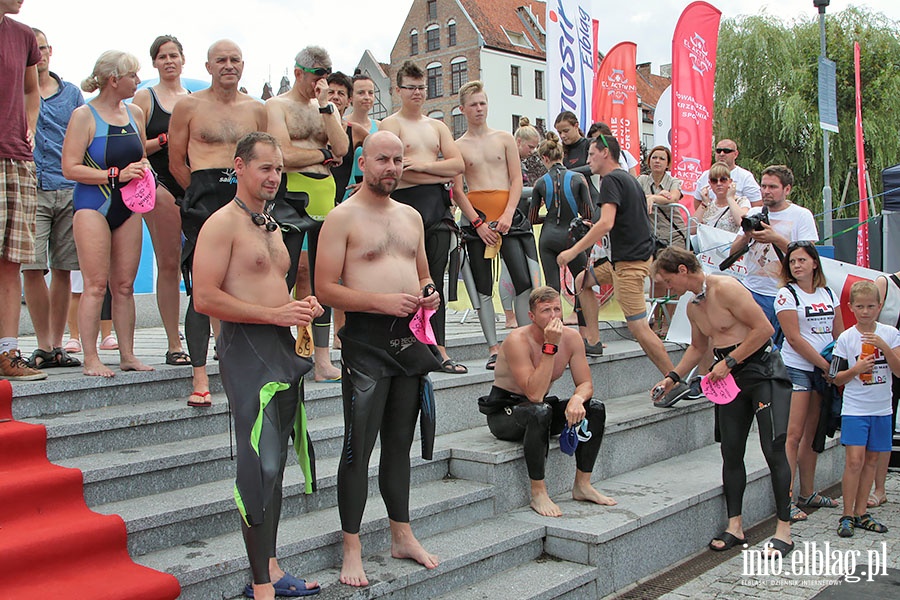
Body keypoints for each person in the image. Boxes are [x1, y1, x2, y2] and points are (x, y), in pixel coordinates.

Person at [192, 132, 321, 600]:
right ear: (239, 166)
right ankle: (260, 585)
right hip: (246, 350)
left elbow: (269, 287)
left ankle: (271, 566)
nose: (274, 177)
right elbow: (204, 297)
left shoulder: (271, 224)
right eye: (265, 167)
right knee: (258, 464)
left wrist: (298, 306)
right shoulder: (221, 224)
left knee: (278, 461)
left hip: (283, 345)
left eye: (279, 169)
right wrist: (274, 314)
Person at [316, 130, 443, 587]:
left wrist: (428, 294)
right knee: (358, 447)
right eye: (382, 160)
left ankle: (401, 534)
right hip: (366, 342)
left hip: (407, 341)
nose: (390, 168)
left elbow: (424, 274)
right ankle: (352, 546)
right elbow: (325, 289)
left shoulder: (411, 216)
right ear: (363, 163)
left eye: (397, 160)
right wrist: (381, 302)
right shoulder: (342, 217)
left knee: (399, 445)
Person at [651, 246, 794, 557]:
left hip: (761, 370)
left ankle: (784, 527)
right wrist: (672, 378)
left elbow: (764, 329)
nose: (667, 288)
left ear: (682, 271)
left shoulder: (726, 288)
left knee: (773, 448)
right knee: (731, 450)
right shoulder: (692, 306)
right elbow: (697, 347)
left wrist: (729, 361)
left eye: (667, 280)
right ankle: (735, 525)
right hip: (729, 377)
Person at [168, 39, 267, 406]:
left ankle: (239, 367)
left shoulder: (256, 108)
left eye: (235, 59)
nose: (229, 65)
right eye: (221, 60)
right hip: (204, 198)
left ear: (243, 65)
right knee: (202, 291)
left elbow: (267, 156)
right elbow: (177, 161)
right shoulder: (189, 106)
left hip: (246, 201)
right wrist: (198, 193)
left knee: (245, 285)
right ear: (207, 66)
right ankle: (199, 377)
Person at [558, 135, 678, 389]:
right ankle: (593, 340)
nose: (587, 160)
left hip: (629, 266)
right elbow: (623, 221)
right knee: (582, 280)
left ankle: (674, 379)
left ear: (605, 153)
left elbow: (606, 223)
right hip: (620, 262)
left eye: (591, 154)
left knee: (639, 328)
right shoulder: (627, 178)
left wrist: (571, 252)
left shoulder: (611, 179)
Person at [60, 51, 154, 377]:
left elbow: (141, 158)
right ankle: (91, 358)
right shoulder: (84, 116)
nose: (138, 81)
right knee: (96, 285)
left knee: (124, 286)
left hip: (128, 206)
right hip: (93, 205)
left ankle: (127, 354)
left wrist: (143, 177)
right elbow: (69, 167)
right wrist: (114, 176)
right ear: (114, 79)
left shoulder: (136, 113)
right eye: (133, 75)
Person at [481, 286, 610, 516]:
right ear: (531, 316)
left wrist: (577, 399)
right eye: (545, 311)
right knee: (539, 411)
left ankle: (583, 484)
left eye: (557, 309)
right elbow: (534, 394)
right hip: (505, 414)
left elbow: (586, 383)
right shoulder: (517, 340)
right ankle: (538, 492)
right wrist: (550, 345)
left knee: (595, 408)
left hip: (540, 408)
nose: (553, 316)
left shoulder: (571, 339)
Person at [266, 45, 348, 383]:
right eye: (316, 77)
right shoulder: (277, 105)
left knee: (322, 280)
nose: (320, 83)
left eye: (325, 77)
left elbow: (342, 149)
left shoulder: (326, 108)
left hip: (324, 196)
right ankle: (279, 352)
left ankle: (322, 358)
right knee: (285, 276)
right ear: (298, 72)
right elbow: (282, 154)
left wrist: (328, 108)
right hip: (291, 197)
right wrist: (321, 154)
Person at [380, 60, 466, 374]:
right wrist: (432, 172)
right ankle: (407, 344)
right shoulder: (391, 125)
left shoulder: (438, 126)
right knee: (404, 279)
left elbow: (457, 166)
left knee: (435, 282)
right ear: (398, 90)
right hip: (403, 206)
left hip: (435, 209)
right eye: (411, 88)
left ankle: (438, 347)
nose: (417, 93)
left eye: (421, 87)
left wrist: (421, 168)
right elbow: (394, 173)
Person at [451, 81, 538, 369]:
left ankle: (526, 341)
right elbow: (458, 190)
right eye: (473, 104)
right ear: (462, 109)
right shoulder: (457, 146)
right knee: (483, 286)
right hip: (477, 220)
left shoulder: (503, 139)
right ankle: (493, 348)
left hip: (507, 219)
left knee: (523, 280)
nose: (479, 109)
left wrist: (509, 213)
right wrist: (477, 223)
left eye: (483, 103)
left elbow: (516, 180)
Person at [21, 27, 83, 370]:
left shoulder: (71, 93)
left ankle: (57, 345)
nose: (40, 55)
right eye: (35, 49)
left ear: (51, 51)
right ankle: (42, 343)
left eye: (43, 48)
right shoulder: (17, 90)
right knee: (32, 268)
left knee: (63, 268)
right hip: (31, 186)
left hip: (68, 187)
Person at [132, 34, 190, 366]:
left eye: (173, 55)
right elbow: (136, 147)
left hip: (194, 184)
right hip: (158, 183)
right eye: (162, 56)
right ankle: (173, 341)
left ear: (183, 60)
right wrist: (164, 139)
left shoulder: (193, 98)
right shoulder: (146, 97)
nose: (168, 61)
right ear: (154, 62)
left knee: (202, 263)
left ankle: (214, 336)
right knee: (168, 262)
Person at [775, 241, 843, 522]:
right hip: (797, 368)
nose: (797, 265)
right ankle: (786, 499)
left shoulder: (829, 292)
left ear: (815, 262)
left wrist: (836, 366)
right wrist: (824, 365)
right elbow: (793, 338)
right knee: (792, 435)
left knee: (813, 434)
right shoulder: (786, 294)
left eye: (802, 260)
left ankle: (810, 492)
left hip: (823, 369)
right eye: (792, 262)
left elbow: (839, 333)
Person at [832, 280, 900, 538]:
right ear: (851, 307)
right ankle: (847, 513)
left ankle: (862, 511)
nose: (865, 311)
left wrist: (884, 347)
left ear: (879, 306)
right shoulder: (847, 338)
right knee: (854, 461)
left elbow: (898, 369)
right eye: (859, 306)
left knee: (872, 459)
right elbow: (835, 377)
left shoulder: (890, 333)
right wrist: (855, 370)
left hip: (882, 408)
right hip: (855, 408)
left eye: (870, 306)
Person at [0, 0, 45, 381]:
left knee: (10, 262)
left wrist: (28, 124)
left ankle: (7, 351)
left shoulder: (22, 34)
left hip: (14, 158)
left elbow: (33, 90)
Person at [729, 165, 818, 340]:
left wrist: (775, 238)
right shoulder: (755, 212)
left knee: (786, 346)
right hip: (753, 290)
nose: (766, 191)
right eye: (763, 186)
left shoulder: (801, 215)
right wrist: (747, 235)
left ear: (787, 189)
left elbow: (809, 257)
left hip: (786, 292)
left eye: (772, 187)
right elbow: (732, 253)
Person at [528, 132, 593, 297]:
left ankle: (555, 321)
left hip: (548, 236)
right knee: (581, 283)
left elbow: (532, 218)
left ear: (544, 158)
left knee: (552, 287)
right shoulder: (578, 178)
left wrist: (548, 219)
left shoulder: (540, 183)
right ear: (563, 154)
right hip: (571, 236)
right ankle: (580, 319)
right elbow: (588, 214)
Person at [869, 271, 900, 508]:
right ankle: (879, 489)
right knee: (884, 425)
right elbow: (869, 320)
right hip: (889, 363)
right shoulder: (886, 283)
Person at [340, 72, 379, 201]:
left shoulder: (381, 126)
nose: (367, 97)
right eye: (361, 93)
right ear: (350, 97)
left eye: (370, 93)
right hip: (346, 189)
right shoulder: (342, 125)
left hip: (373, 188)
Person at [638, 145, 687, 249]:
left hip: (674, 235)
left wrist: (653, 199)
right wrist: (658, 196)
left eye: (662, 159)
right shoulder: (642, 180)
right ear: (649, 161)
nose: (657, 161)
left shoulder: (674, 181)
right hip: (650, 237)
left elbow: (674, 198)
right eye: (654, 158)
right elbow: (633, 198)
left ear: (667, 164)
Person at [692, 139, 761, 208]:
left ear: (736, 154)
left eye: (726, 151)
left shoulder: (745, 177)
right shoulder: (705, 175)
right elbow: (698, 202)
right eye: (718, 151)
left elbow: (757, 205)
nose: (721, 154)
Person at [694, 161, 751, 234]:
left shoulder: (742, 202)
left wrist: (730, 198)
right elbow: (692, 230)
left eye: (723, 180)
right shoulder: (708, 205)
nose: (719, 184)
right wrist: (704, 203)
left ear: (730, 181)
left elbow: (741, 222)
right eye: (714, 181)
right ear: (710, 184)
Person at [514, 117, 545, 187]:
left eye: (535, 148)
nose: (533, 151)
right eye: (530, 147)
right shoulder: (509, 163)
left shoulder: (519, 163)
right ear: (519, 141)